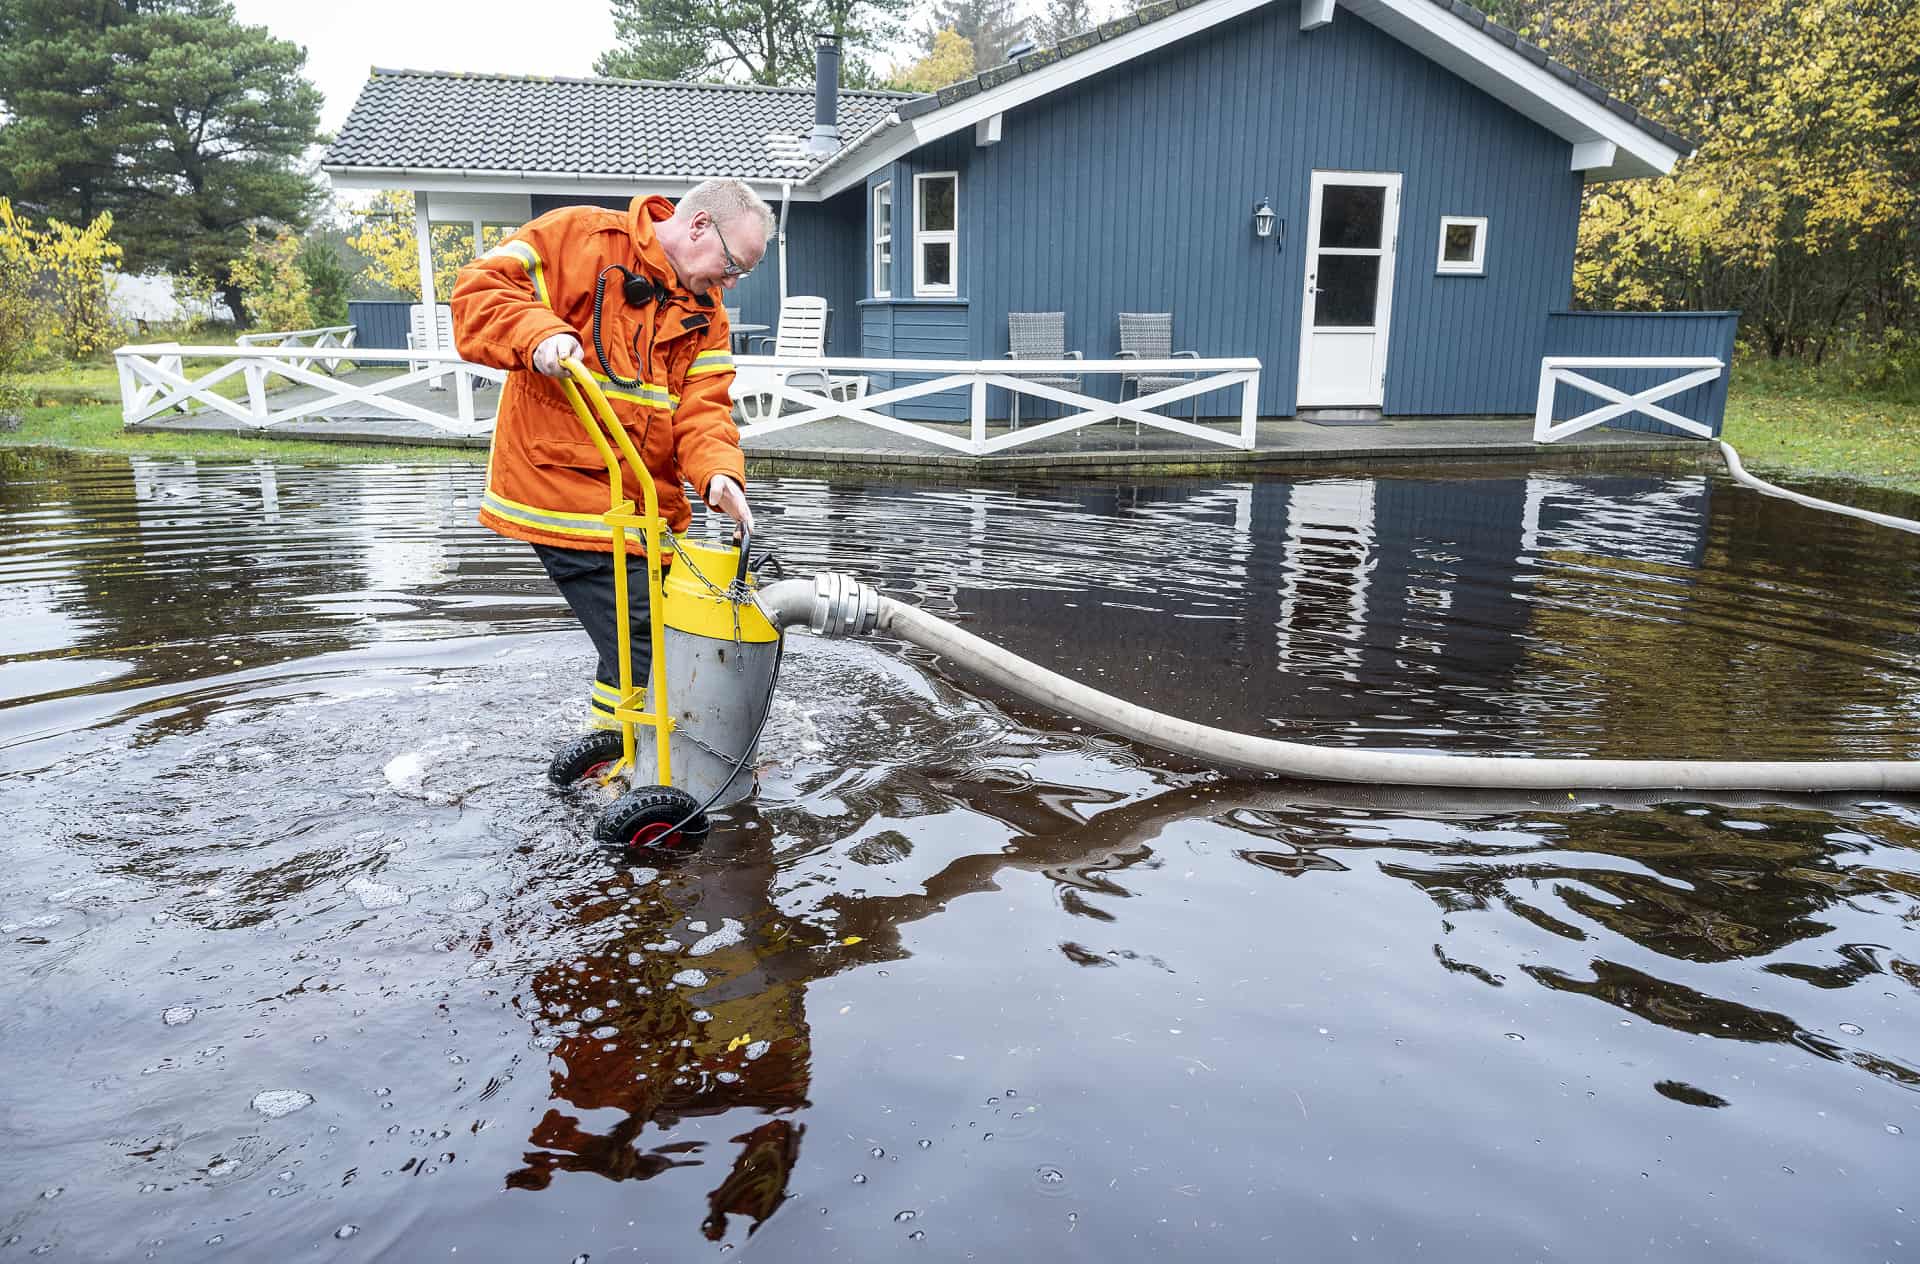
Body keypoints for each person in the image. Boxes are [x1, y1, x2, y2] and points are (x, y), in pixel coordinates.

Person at [452, 178, 771, 732]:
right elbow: (477, 293)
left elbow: (704, 411)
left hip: (645, 510)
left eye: (742, 272)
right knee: (650, 644)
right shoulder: (578, 238)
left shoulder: (707, 312)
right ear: (699, 226)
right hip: (563, 492)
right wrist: (540, 334)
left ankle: (612, 758)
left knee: (644, 638)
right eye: (733, 264)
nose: (733, 281)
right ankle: (649, 771)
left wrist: (719, 475)